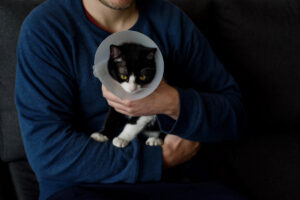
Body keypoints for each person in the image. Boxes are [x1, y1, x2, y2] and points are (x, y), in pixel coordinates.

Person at [15, 0, 246, 199]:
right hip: (83, 189)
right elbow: (48, 153)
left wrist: (173, 102)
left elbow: (235, 114)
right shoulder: (46, 29)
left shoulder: (170, 21)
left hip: (176, 185)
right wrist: (159, 159)